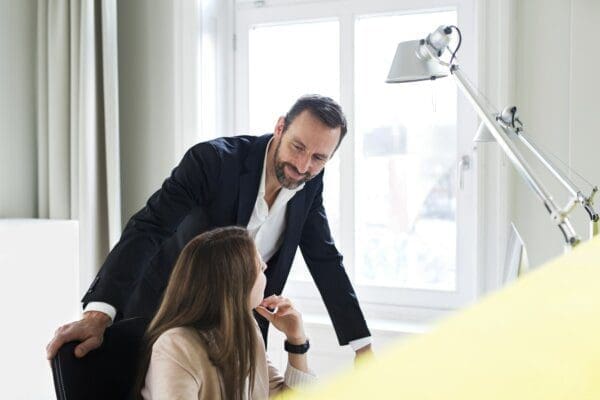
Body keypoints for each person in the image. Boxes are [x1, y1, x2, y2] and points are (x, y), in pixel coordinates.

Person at [47, 94, 372, 361]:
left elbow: (324, 258)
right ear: (279, 128)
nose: (303, 166)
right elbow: (150, 227)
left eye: (319, 158)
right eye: (298, 147)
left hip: (236, 332)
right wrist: (98, 314)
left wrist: (363, 347)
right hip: (165, 317)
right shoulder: (213, 162)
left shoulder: (310, 182)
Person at [136, 226, 315, 399]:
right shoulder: (176, 345)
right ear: (237, 284)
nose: (266, 268)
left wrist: (296, 340)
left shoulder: (247, 329)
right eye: (260, 267)